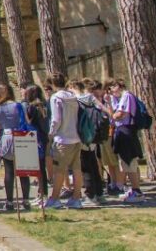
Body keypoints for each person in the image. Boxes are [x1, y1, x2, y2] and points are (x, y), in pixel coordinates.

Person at [0, 84, 31, 212]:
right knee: (24, 171)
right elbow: (27, 121)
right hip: (22, 136)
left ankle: (9, 201)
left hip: (7, 136)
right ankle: (26, 200)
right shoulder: (18, 105)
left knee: (9, 171)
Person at [44, 79, 84, 210]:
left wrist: (51, 133)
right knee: (77, 169)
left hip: (62, 138)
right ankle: (76, 198)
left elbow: (56, 119)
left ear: (53, 84)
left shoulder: (56, 97)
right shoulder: (73, 96)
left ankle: (55, 198)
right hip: (76, 137)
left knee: (59, 170)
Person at [109, 79, 145, 203]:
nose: (111, 91)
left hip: (126, 131)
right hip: (122, 131)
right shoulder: (120, 98)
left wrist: (111, 114)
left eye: (112, 88)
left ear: (118, 86)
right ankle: (133, 189)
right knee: (125, 162)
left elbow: (120, 114)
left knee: (129, 162)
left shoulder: (127, 96)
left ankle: (137, 191)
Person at [73, 79, 107, 206]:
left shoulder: (77, 100)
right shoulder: (91, 99)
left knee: (86, 166)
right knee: (93, 164)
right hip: (93, 133)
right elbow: (103, 109)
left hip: (82, 135)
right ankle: (99, 193)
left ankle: (90, 195)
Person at [24, 85, 50, 205]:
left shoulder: (32, 106)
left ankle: (42, 194)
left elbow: (28, 121)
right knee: (42, 167)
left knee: (39, 168)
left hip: (36, 137)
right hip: (43, 136)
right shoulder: (44, 104)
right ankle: (42, 193)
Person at [101, 80, 123, 196]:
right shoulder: (105, 100)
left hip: (113, 131)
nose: (109, 92)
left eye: (111, 88)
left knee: (114, 160)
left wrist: (108, 103)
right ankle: (112, 182)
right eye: (107, 89)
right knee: (108, 161)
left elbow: (113, 115)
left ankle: (120, 184)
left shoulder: (116, 99)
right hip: (105, 132)